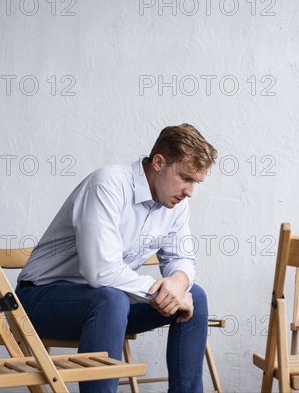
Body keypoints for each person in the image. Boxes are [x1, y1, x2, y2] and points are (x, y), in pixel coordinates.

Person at [17, 123, 217, 393]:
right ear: (159, 162)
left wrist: (179, 283)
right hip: (39, 300)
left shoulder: (177, 205)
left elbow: (182, 258)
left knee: (196, 296)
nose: (190, 191)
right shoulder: (108, 184)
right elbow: (100, 272)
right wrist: (163, 291)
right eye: (185, 178)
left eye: (196, 182)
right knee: (110, 298)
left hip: (109, 308)